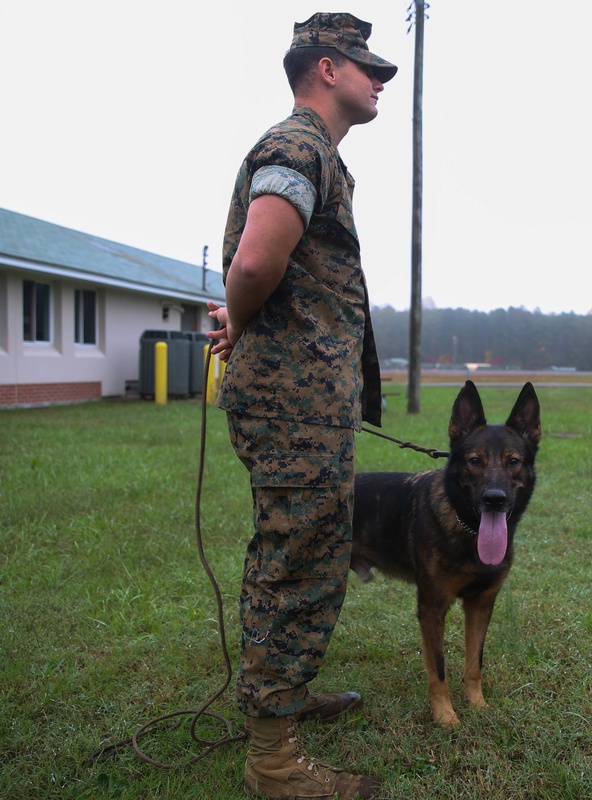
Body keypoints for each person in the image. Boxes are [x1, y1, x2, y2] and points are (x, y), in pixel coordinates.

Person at [206, 12, 394, 799]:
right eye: (366, 67)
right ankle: (274, 764)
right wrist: (243, 317)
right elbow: (255, 259)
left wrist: (248, 318)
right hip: (292, 407)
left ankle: (284, 700)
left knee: (307, 555)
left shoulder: (317, 157)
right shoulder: (298, 147)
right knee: (297, 566)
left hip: (304, 403)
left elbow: (274, 273)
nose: (379, 79)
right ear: (324, 68)